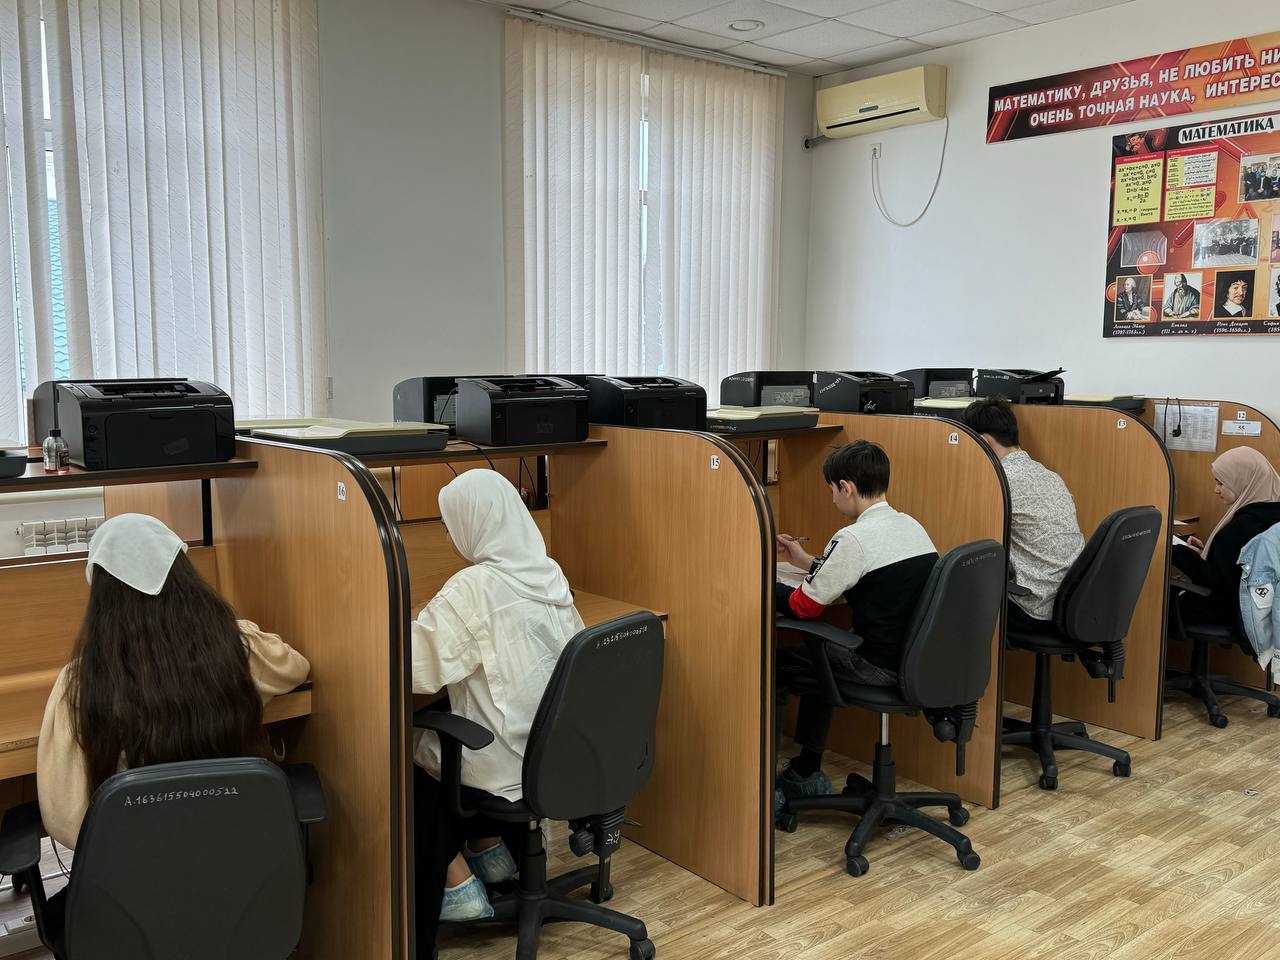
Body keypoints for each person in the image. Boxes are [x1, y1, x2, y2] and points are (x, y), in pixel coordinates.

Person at [37, 513, 310, 851]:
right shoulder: (233, 648)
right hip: (238, 855)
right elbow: (296, 668)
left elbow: (64, 819)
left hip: (139, 871)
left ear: (101, 598)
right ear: (184, 577)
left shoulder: (81, 682)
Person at [411, 469, 585, 948]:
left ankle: (457, 884)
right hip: (553, 753)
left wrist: (414, 620)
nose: (448, 535)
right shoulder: (548, 572)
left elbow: (415, 669)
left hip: (503, 762)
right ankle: (490, 853)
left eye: (449, 524)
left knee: (396, 745)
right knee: (466, 709)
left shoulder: (474, 588)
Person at [773, 441, 938, 801]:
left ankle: (787, 779)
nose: (833, 499)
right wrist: (806, 561)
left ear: (846, 487)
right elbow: (866, 572)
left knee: (780, 663)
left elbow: (803, 607)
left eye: (832, 490)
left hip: (878, 666)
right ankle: (805, 768)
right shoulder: (910, 526)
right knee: (820, 655)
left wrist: (762, 578)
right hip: (917, 660)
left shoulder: (853, 537)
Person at [960, 397, 1084, 632]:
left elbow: (970, 540)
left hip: (1035, 607)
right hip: (1071, 599)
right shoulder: (1049, 475)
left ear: (983, 442)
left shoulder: (999, 483)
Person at [1174, 448, 1280, 625]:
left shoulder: (1243, 526)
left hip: (1229, 611)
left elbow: (1215, 582)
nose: (1216, 490)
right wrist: (1206, 552)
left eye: (1221, 483)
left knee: (1160, 603)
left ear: (1242, 481)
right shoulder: (1270, 515)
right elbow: (1236, 566)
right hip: (1257, 610)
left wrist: (1178, 553)